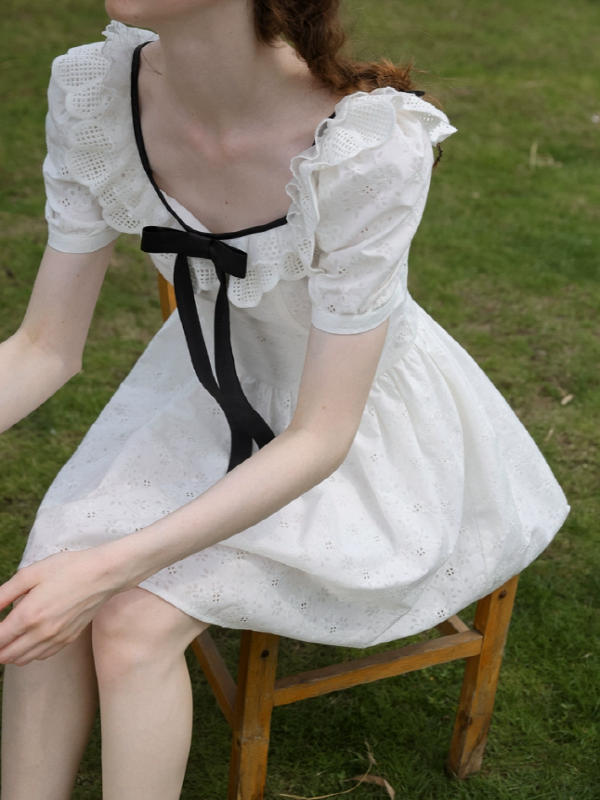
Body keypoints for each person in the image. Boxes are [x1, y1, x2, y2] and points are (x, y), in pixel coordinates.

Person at [0, 0, 570, 798]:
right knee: (44, 584)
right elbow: (42, 349)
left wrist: (112, 567)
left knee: (128, 619)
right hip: (205, 388)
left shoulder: (365, 148)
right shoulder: (98, 93)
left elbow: (322, 435)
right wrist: (84, 569)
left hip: (355, 432)